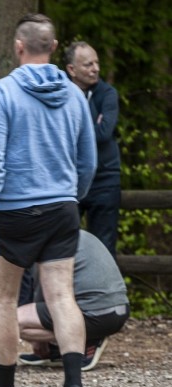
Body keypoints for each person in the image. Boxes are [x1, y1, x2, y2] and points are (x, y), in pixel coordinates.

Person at [0, 13, 96, 387]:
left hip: (15, 209)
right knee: (62, 296)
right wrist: (71, 196)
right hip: (62, 208)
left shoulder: (3, 92)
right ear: (55, 48)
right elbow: (87, 160)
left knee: (5, 298)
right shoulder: (76, 95)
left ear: (19, 47)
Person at [17, 230, 129, 371]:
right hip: (119, 310)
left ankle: (85, 341)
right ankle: (61, 350)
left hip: (95, 313)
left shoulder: (50, 242)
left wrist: (39, 341)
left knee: (12, 321)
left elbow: (46, 294)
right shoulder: (80, 234)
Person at [65, 41, 121, 258]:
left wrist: (77, 130)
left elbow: (104, 133)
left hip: (105, 181)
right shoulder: (62, 94)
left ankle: (103, 293)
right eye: (88, 64)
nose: (96, 68)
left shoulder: (108, 94)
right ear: (72, 69)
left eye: (97, 62)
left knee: (104, 248)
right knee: (64, 245)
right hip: (71, 180)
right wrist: (91, 126)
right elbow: (60, 136)